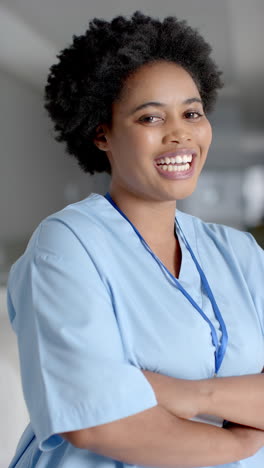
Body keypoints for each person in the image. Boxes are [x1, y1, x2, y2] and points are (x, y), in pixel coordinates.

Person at [6, 10, 264, 468]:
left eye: (191, 112)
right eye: (150, 118)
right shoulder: (67, 245)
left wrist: (187, 394)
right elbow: (99, 422)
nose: (180, 133)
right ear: (101, 132)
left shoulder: (238, 251)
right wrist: (243, 443)